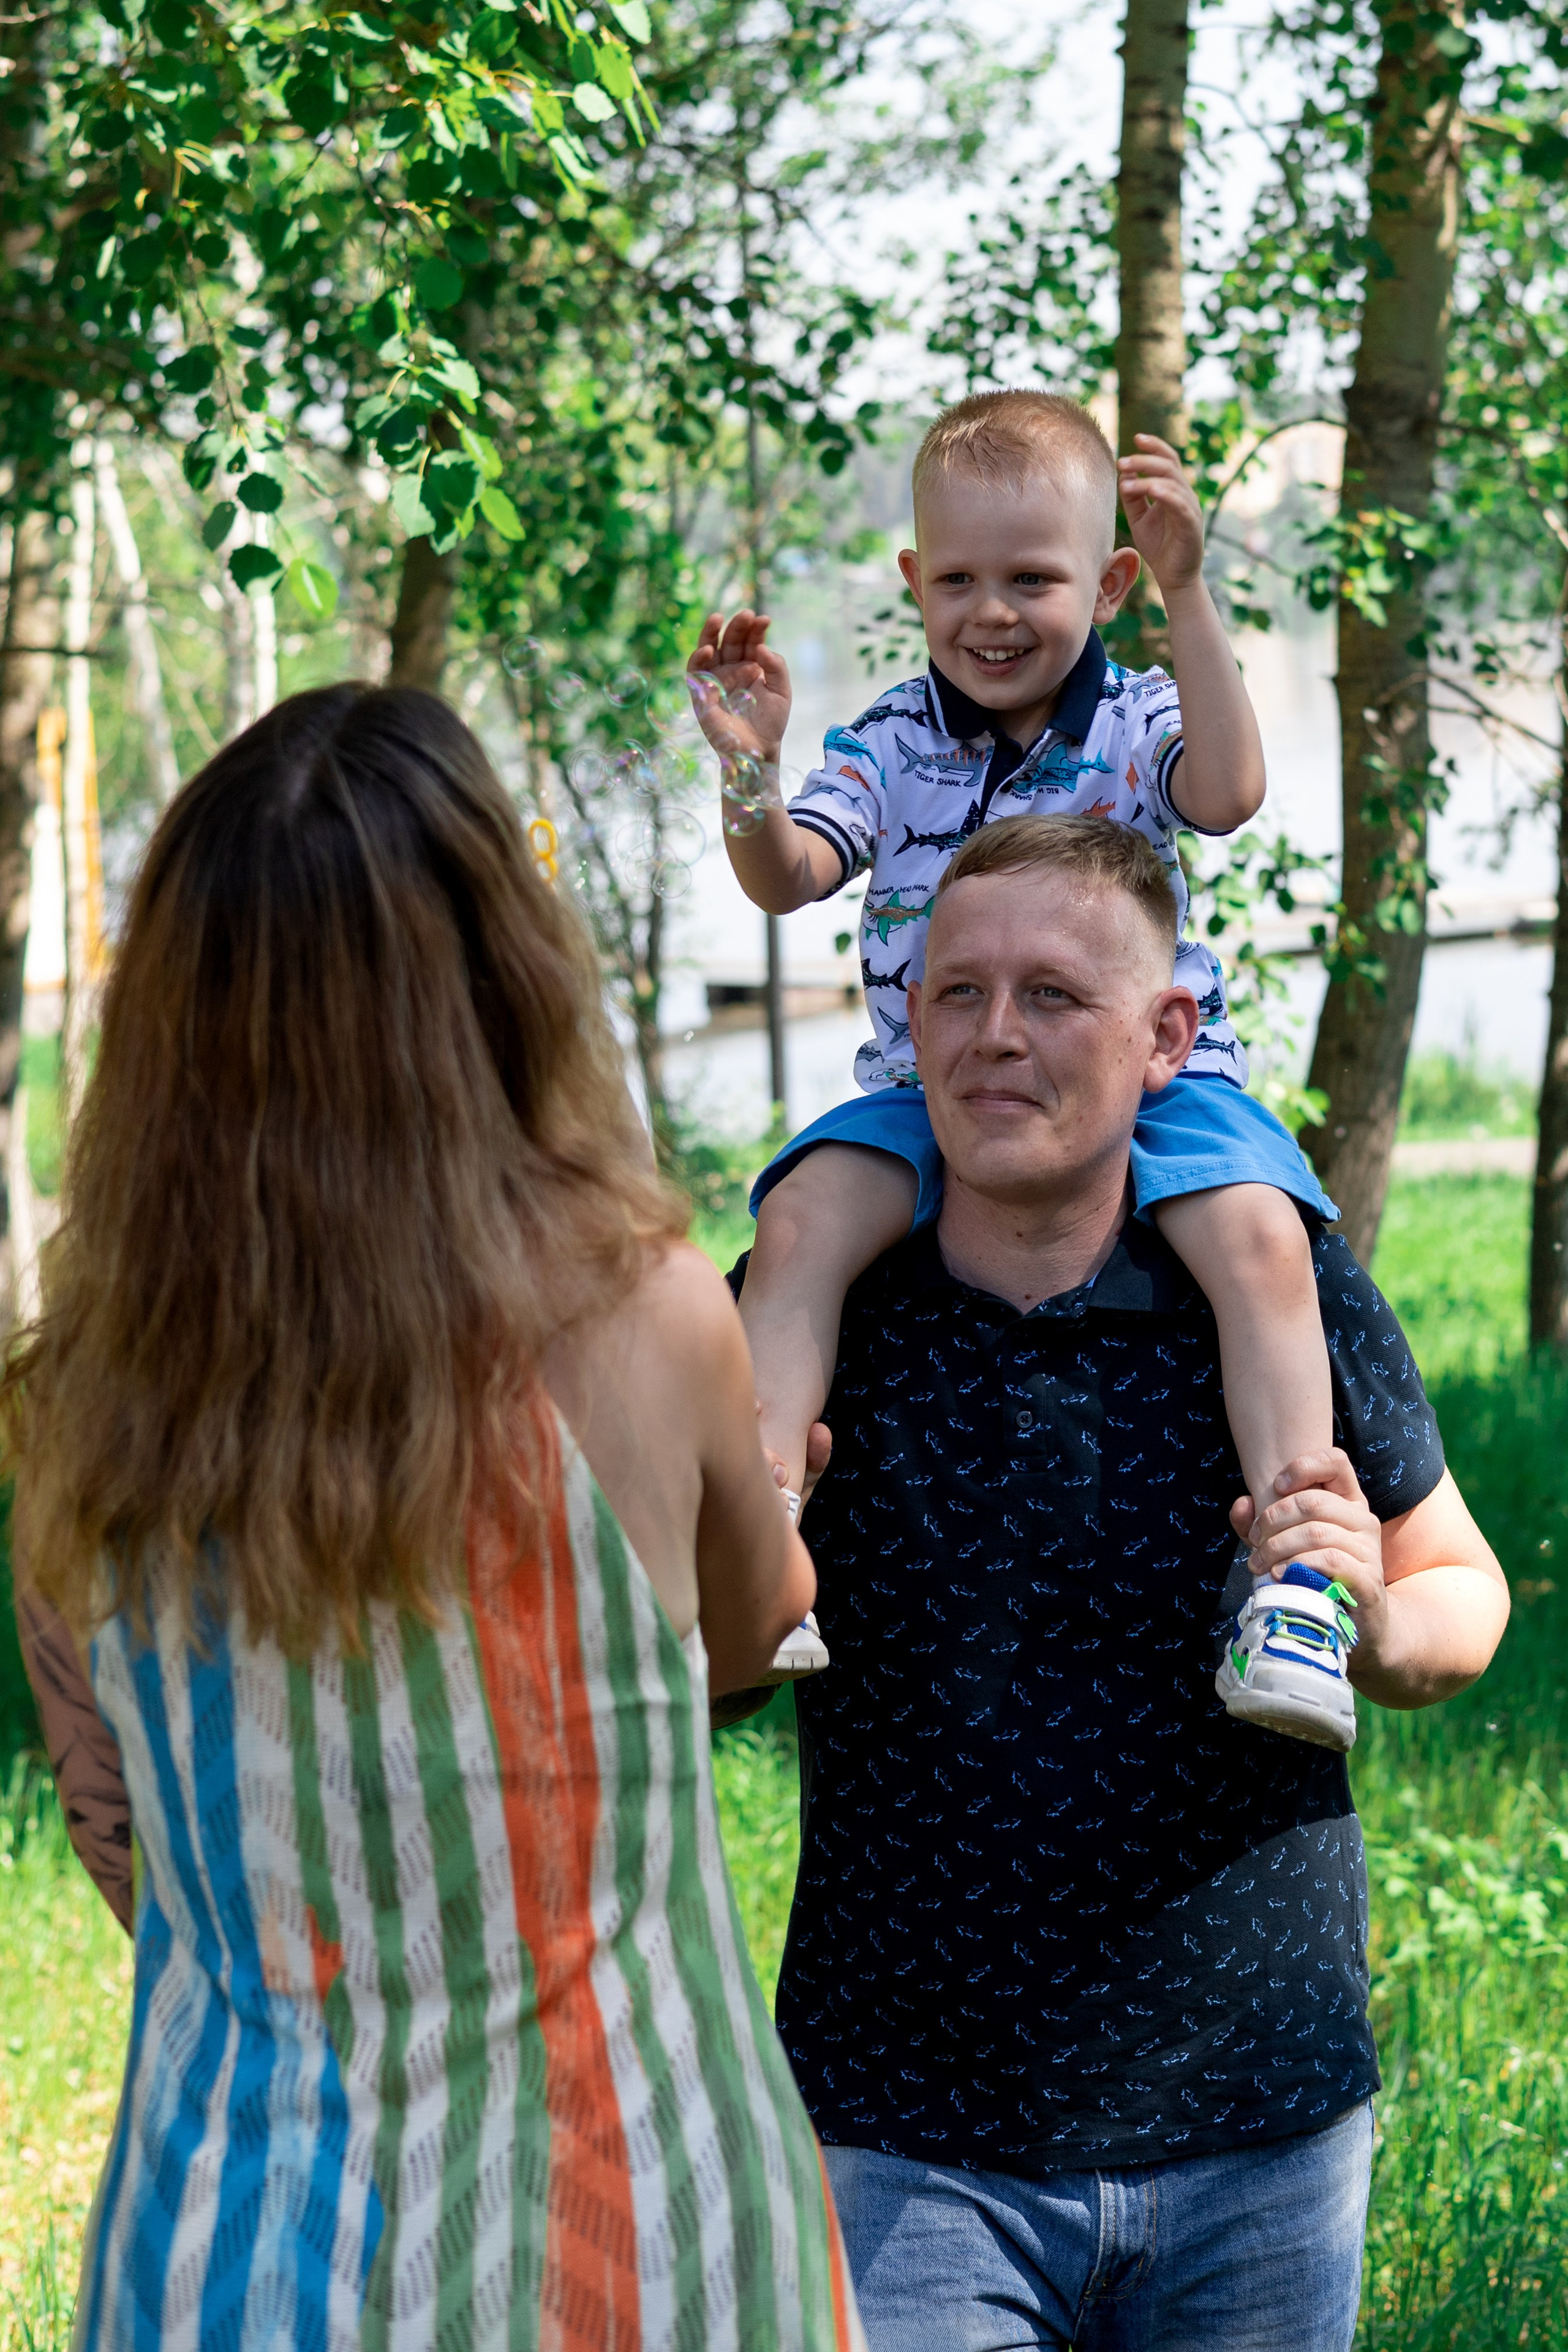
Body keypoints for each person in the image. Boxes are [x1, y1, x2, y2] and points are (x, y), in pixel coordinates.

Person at [6, 685, 865, 2352]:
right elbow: (756, 1638)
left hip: (237, 2260)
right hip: (648, 2239)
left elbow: (115, 1823)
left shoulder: (81, 1398)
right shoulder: (649, 1314)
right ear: (502, 970)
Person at [736, 814, 1509, 2351]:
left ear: (1165, 1035)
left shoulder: (1272, 1288)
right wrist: (747, 1558)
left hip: (1258, 2130)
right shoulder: (804, 1310)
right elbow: (683, 1674)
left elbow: (1458, 1598)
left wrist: (1366, 1621)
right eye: (953, 994)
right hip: (900, 2142)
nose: (992, 1038)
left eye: (1050, 997)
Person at [690, 390, 1352, 1746]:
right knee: (800, 1220)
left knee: (1259, 1242)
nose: (991, 615)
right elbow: (787, 877)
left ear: (1105, 583)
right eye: (958, 582)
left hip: (1149, 1087)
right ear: (910, 584)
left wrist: (1189, 589)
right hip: (921, 1092)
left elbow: (1222, 794)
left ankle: (1295, 1581)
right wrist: (749, 772)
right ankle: (755, 1538)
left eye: (1033, 581)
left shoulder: (1134, 717)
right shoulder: (887, 742)